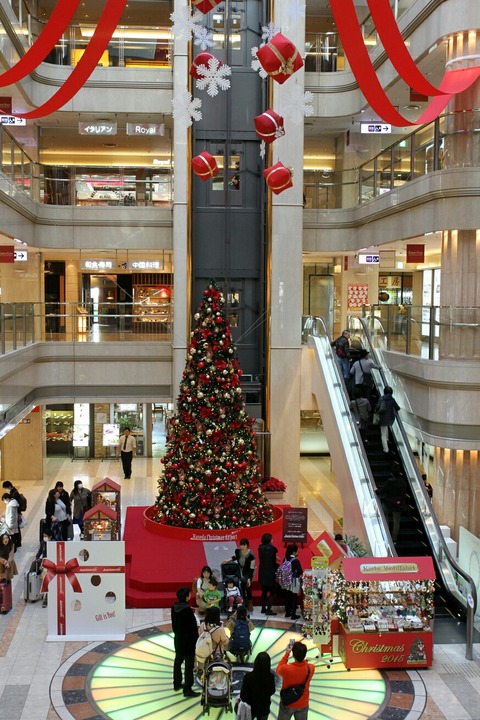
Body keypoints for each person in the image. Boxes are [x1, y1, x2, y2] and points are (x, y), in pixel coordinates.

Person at [171, 586, 200, 697]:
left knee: (178, 661)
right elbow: (192, 628)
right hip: (188, 642)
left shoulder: (174, 607)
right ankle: (187, 689)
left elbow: (174, 625)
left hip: (178, 639)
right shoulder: (187, 611)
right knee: (189, 665)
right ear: (187, 596)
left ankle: (177, 683)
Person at [276, 641, 315, 720]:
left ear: (293, 654)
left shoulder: (286, 669)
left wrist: (287, 653)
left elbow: (278, 669)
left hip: (288, 702)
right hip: (303, 702)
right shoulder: (311, 668)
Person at [240, 651, 276, 720]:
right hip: (264, 709)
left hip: (250, 709)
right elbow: (272, 691)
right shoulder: (271, 677)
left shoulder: (248, 677)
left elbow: (243, 695)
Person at [223, 537, 256, 611]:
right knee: (242, 586)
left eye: (243, 545)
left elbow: (252, 568)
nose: (241, 547)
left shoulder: (251, 555)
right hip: (240, 570)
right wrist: (228, 559)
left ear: (247, 545)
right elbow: (235, 557)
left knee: (247, 586)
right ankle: (243, 601)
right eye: (240, 545)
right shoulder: (238, 551)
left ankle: (250, 602)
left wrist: (249, 578)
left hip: (249, 571)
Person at [379, 474, 408, 542]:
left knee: (384, 513)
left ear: (392, 473)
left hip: (389, 503)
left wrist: (377, 490)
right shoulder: (403, 482)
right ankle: (394, 538)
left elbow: (382, 490)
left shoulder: (389, 481)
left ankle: (387, 533)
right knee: (396, 522)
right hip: (398, 504)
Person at [258, 532, 278, 616]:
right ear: (269, 540)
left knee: (264, 592)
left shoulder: (260, 548)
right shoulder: (272, 549)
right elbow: (273, 562)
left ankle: (263, 608)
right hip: (270, 573)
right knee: (272, 593)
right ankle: (269, 609)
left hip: (262, 572)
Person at [375, 386, 400, 453]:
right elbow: (398, 408)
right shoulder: (392, 399)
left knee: (382, 433)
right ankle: (387, 439)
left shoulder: (381, 399)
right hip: (391, 418)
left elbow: (377, 407)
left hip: (383, 418)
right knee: (386, 427)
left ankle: (386, 449)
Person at [284, 544, 303, 621]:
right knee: (294, 596)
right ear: (294, 552)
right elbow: (300, 571)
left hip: (286, 580)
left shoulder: (286, 559)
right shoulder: (296, 560)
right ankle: (293, 614)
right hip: (294, 581)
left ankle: (287, 612)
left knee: (288, 596)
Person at [2, 481, 23, 549]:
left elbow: (10, 515)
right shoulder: (13, 496)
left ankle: (16, 545)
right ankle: (18, 543)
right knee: (16, 531)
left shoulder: (14, 495)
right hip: (15, 519)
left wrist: (10, 524)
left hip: (13, 521)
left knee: (13, 534)